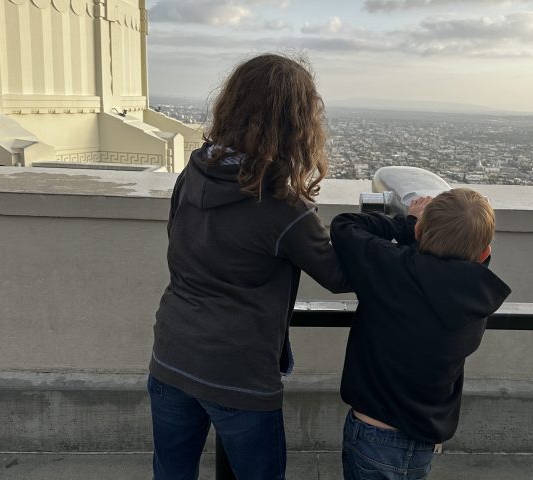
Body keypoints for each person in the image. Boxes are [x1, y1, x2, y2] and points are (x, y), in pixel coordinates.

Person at [148, 53, 349, 480]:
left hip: (172, 352)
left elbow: (179, 240)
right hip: (239, 374)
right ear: (296, 125)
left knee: (171, 473)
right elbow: (338, 275)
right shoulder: (283, 209)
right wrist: (366, 231)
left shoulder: (193, 173)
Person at [330, 188, 512, 480]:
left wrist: (406, 222)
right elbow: (448, 273)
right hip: (421, 443)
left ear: (418, 231)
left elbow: (344, 226)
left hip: (372, 432)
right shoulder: (477, 298)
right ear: (485, 253)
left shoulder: (392, 270)